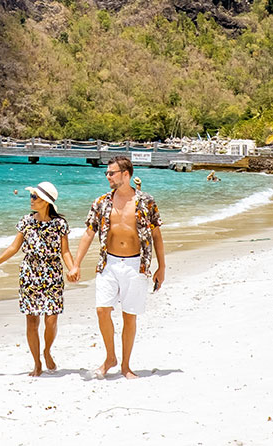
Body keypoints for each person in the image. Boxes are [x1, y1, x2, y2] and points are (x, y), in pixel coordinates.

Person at [69, 157, 165, 379]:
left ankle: (126, 366)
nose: (107, 176)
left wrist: (162, 267)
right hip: (108, 263)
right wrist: (76, 264)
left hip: (136, 264)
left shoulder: (146, 202)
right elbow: (89, 233)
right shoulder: (101, 202)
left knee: (129, 316)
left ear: (126, 174)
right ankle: (110, 357)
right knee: (102, 310)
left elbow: (156, 235)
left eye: (111, 173)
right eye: (107, 173)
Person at [0, 181, 76, 376]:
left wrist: (73, 268)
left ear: (46, 201)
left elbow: (65, 251)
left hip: (53, 274)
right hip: (29, 274)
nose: (31, 200)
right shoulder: (25, 221)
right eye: (31, 196)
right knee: (32, 321)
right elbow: (13, 248)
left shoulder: (60, 224)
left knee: (51, 320)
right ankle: (36, 363)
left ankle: (47, 350)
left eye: (34, 197)